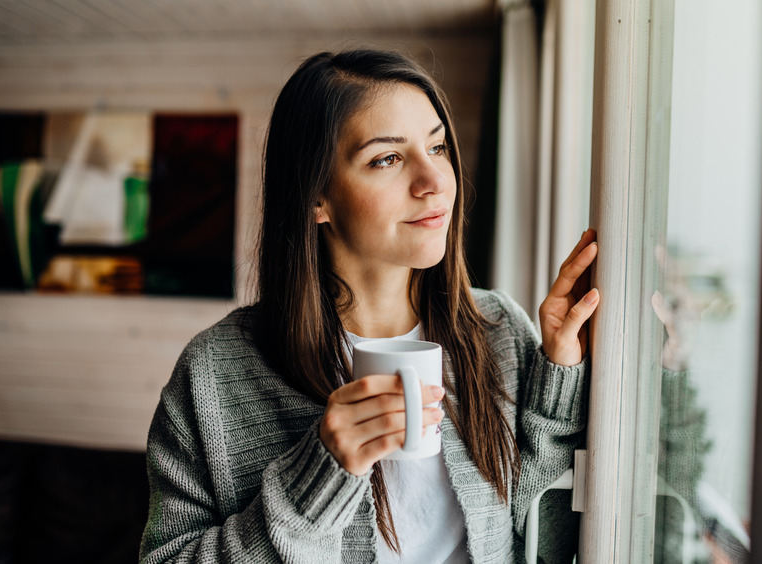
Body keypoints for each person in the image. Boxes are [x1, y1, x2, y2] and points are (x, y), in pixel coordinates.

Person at [138, 49, 599, 564]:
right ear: (316, 197)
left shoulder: (499, 331)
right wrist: (317, 477)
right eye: (388, 158)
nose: (435, 182)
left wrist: (558, 372)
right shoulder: (215, 374)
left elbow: (548, 545)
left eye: (438, 146)